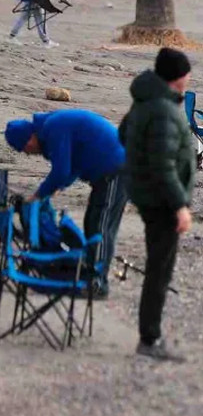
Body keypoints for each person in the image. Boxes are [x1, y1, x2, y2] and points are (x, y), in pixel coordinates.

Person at [120, 48, 197, 363]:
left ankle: (150, 337)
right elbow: (163, 165)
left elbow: (123, 135)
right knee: (159, 271)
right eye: (187, 73)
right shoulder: (162, 110)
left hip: (149, 198)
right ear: (177, 77)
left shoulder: (145, 102)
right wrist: (179, 205)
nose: (189, 78)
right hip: (162, 203)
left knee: (159, 267)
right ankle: (149, 339)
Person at [4, 109, 127, 294]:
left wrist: (38, 195)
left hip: (117, 170)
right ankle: (89, 272)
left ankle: (97, 281)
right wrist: (55, 188)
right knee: (92, 222)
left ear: (28, 139)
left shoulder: (53, 128)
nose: (29, 154)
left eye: (24, 150)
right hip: (107, 172)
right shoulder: (51, 128)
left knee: (101, 227)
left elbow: (61, 171)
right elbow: (73, 165)